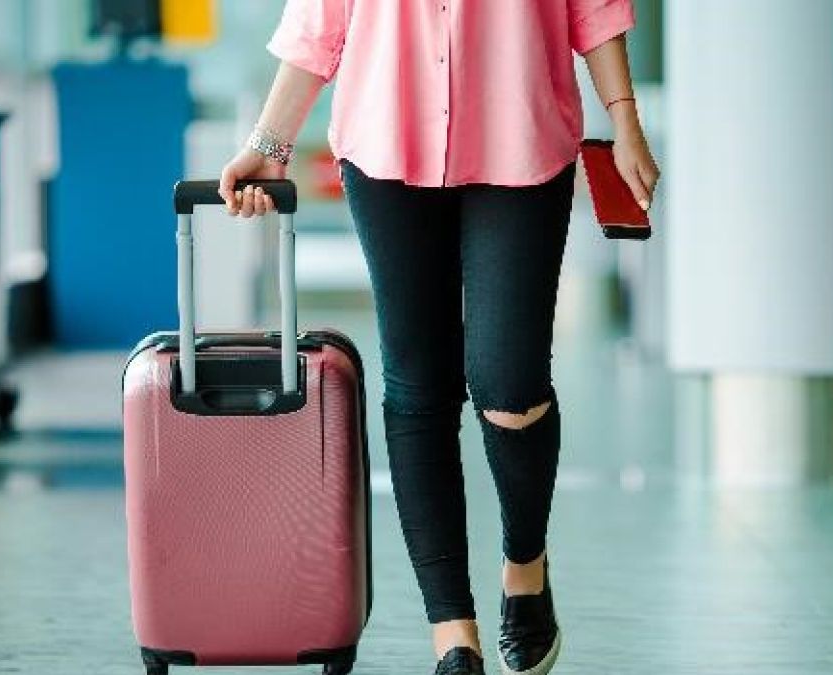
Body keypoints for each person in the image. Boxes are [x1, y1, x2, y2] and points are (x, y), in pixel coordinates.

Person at [219, 1, 659, 673]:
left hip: (522, 134)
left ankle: (525, 565)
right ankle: (452, 631)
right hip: (385, 138)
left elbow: (594, 8)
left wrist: (625, 122)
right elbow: (321, 19)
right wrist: (270, 143)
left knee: (509, 385)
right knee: (417, 386)